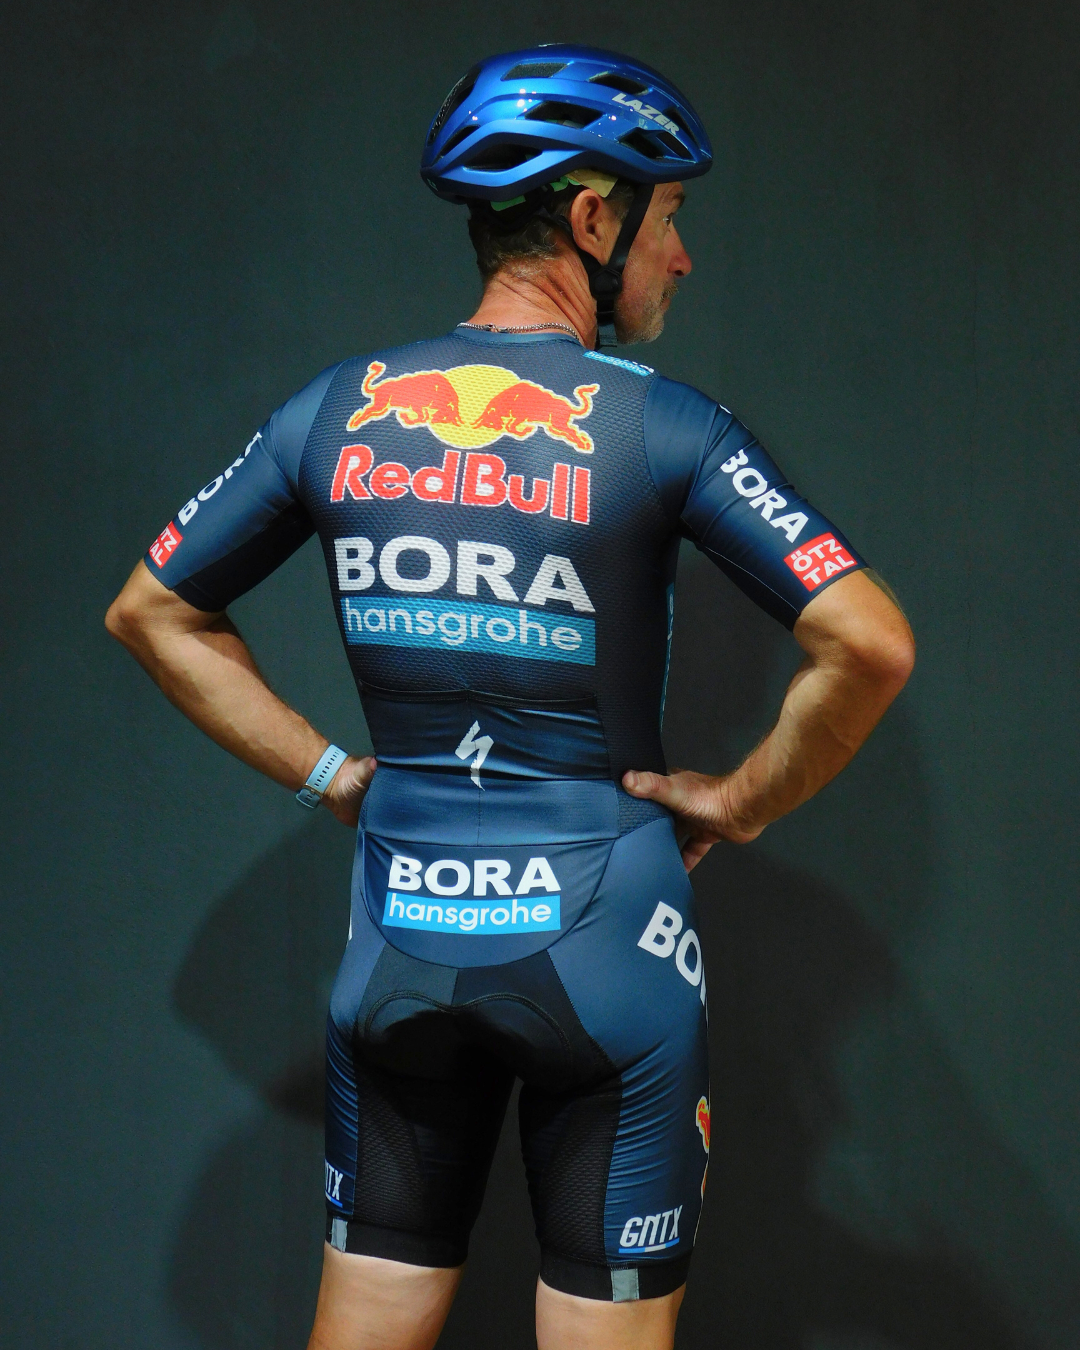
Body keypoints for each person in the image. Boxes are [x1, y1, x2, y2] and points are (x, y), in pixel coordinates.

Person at [106, 43, 913, 1350]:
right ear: (594, 218)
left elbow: (151, 610)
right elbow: (868, 644)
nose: (682, 258)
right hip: (607, 947)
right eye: (671, 216)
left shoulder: (337, 410)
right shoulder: (665, 424)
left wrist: (334, 776)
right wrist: (742, 801)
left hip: (398, 943)